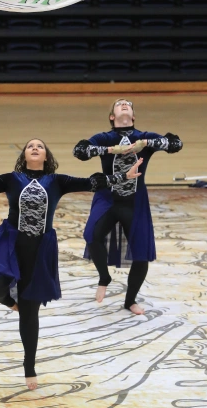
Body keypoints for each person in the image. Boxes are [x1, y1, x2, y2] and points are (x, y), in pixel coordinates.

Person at [0, 138, 142, 391]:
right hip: (11, 244)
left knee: (31, 313)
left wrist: (124, 176)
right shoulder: (11, 179)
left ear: (46, 156)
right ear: (24, 155)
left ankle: (29, 367)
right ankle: (13, 304)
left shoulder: (58, 181)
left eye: (40, 146)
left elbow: (92, 183)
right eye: (30, 146)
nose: (35, 148)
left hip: (40, 250)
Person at [73, 99, 183, 315]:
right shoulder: (104, 138)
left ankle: (130, 300)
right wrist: (111, 149)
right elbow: (80, 150)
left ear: (133, 116)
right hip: (107, 198)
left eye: (128, 105)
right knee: (92, 235)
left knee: (141, 254)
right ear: (112, 117)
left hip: (135, 201)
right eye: (119, 104)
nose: (124, 105)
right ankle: (104, 277)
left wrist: (147, 144)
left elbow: (176, 144)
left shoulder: (145, 136)